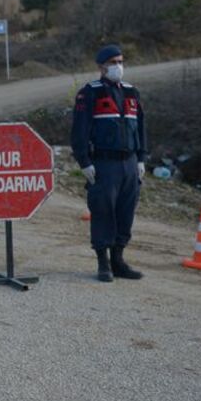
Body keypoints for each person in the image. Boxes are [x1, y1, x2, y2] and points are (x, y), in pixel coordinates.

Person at [71, 44, 147, 282]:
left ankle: (118, 260)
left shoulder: (131, 92)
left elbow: (141, 128)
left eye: (121, 62)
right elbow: (80, 130)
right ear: (101, 66)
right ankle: (103, 263)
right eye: (113, 62)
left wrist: (142, 158)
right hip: (104, 163)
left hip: (130, 162)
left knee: (126, 211)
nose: (118, 67)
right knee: (103, 210)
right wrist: (84, 161)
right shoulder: (90, 92)